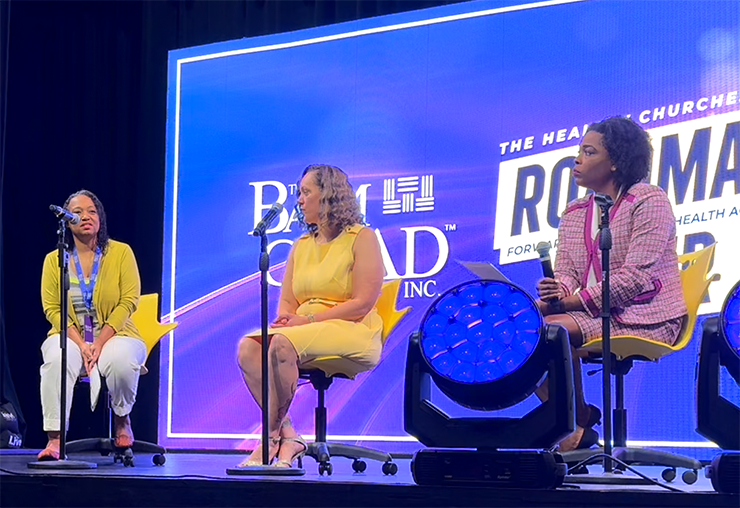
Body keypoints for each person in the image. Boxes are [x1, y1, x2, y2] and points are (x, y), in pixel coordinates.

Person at [536, 117, 687, 452]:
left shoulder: (649, 200)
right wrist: (558, 290)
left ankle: (573, 423)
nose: (577, 160)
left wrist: (567, 304)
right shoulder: (574, 212)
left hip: (647, 316)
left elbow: (635, 278)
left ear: (616, 161)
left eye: (588, 152)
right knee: (524, 329)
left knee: (549, 330)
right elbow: (569, 274)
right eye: (579, 151)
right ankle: (576, 417)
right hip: (594, 313)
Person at [236, 164, 384, 468]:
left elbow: (363, 303)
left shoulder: (362, 237)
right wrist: (288, 320)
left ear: (328, 196)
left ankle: (270, 439)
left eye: (306, 192)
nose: (299, 200)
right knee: (249, 347)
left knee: (281, 344)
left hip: (350, 328)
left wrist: (307, 322)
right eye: (299, 193)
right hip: (301, 330)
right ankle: (288, 434)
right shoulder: (301, 246)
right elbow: (287, 302)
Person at [38, 190, 146, 460]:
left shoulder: (121, 253)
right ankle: (55, 438)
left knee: (121, 359)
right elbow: (53, 308)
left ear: (101, 218)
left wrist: (98, 343)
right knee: (56, 358)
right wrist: (81, 345)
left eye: (92, 211)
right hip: (72, 337)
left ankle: (122, 419)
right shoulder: (55, 260)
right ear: (67, 219)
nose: (85, 216)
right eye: (78, 211)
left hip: (116, 335)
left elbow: (129, 300)